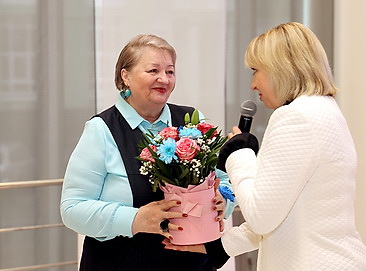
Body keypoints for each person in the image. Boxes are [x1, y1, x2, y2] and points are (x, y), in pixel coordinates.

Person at [163, 22, 366, 270]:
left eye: (255, 71)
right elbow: (281, 215)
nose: (253, 85)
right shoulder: (325, 110)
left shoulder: (295, 117)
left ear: (280, 69)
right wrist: (216, 248)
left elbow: (261, 217)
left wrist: (238, 153)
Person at [60, 34, 235, 271]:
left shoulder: (192, 121)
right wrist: (134, 219)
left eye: (170, 72)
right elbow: (72, 209)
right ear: (126, 76)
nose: (164, 79)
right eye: (153, 70)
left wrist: (224, 201)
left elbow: (224, 179)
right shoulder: (101, 129)